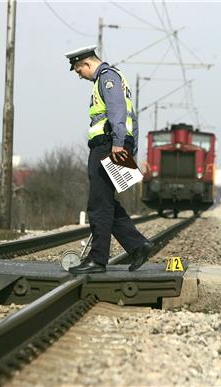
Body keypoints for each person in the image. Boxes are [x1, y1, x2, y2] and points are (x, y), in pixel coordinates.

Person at [64, 45, 153, 274]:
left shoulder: (107, 77)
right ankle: (138, 245)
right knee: (105, 203)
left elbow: (117, 111)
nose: (78, 74)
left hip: (108, 145)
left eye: (77, 69)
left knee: (99, 205)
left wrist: (117, 144)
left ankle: (98, 260)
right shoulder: (109, 78)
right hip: (110, 144)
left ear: (86, 63)